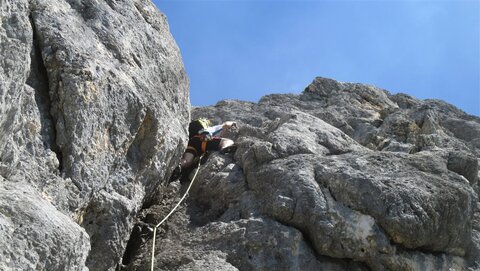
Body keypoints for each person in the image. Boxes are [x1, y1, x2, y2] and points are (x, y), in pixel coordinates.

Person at [170, 119, 237, 182]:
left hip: (191, 143)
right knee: (228, 141)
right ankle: (224, 148)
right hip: (203, 139)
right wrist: (232, 123)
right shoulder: (217, 128)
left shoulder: (196, 130)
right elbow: (225, 124)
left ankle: (180, 166)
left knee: (187, 160)